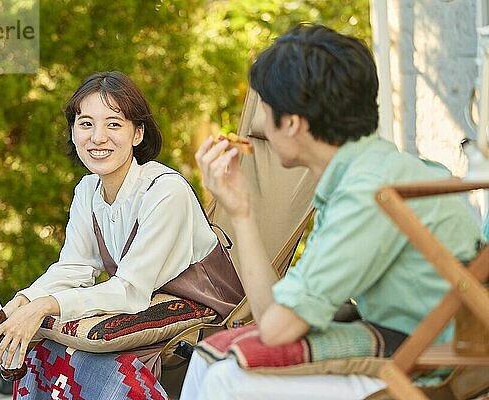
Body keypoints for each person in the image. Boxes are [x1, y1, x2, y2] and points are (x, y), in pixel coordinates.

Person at [180, 24, 484, 400]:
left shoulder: (365, 193)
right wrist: (240, 212)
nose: (258, 124)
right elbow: (272, 316)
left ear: (292, 123)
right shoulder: (367, 174)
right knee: (209, 360)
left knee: (227, 381)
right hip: (415, 340)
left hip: (438, 364)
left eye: (266, 108)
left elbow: (275, 328)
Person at [0, 71, 244, 399]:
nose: (97, 137)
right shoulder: (88, 190)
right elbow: (74, 268)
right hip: (143, 305)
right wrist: (20, 304)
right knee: (43, 347)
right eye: (86, 123)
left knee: (85, 357)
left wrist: (44, 307)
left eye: (113, 124)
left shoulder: (165, 190)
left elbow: (130, 290)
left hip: (203, 316)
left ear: (137, 133)